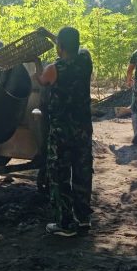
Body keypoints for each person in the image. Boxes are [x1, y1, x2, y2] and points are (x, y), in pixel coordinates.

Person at [32, 27, 93, 237]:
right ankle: (84, 218)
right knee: (83, 172)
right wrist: (50, 35)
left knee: (59, 175)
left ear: (60, 47)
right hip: (83, 129)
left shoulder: (53, 68)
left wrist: (36, 63)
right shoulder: (86, 61)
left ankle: (65, 223)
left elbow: (42, 81)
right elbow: (70, 45)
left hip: (61, 131)